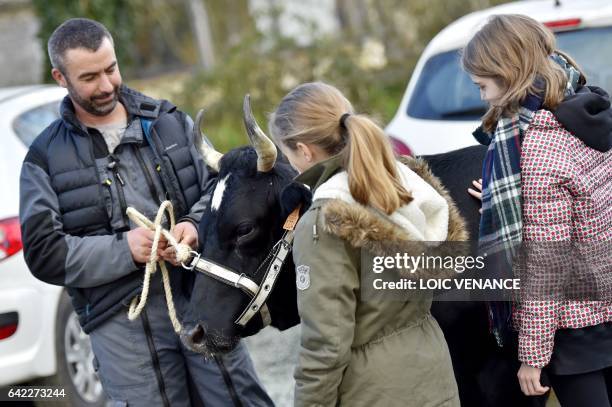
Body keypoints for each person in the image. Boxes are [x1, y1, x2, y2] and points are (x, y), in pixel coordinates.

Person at [19, 18, 273, 407]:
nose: (105, 85)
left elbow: (216, 190)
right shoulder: (43, 158)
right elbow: (43, 252)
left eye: (110, 69)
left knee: (239, 399)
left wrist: (192, 225)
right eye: (89, 77)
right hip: (119, 324)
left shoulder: (169, 121)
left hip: (200, 297)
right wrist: (125, 249)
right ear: (60, 76)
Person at [268, 82, 463, 407]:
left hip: (373, 391)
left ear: (304, 150)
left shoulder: (324, 221)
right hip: (433, 377)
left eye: (287, 153)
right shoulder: (401, 185)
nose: (291, 165)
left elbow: (325, 343)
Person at [463, 14, 612, 407]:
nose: (482, 98)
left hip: (575, 330)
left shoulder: (535, 149)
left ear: (507, 72)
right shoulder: (585, 110)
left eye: (483, 85)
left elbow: (547, 266)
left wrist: (532, 357)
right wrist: (509, 203)